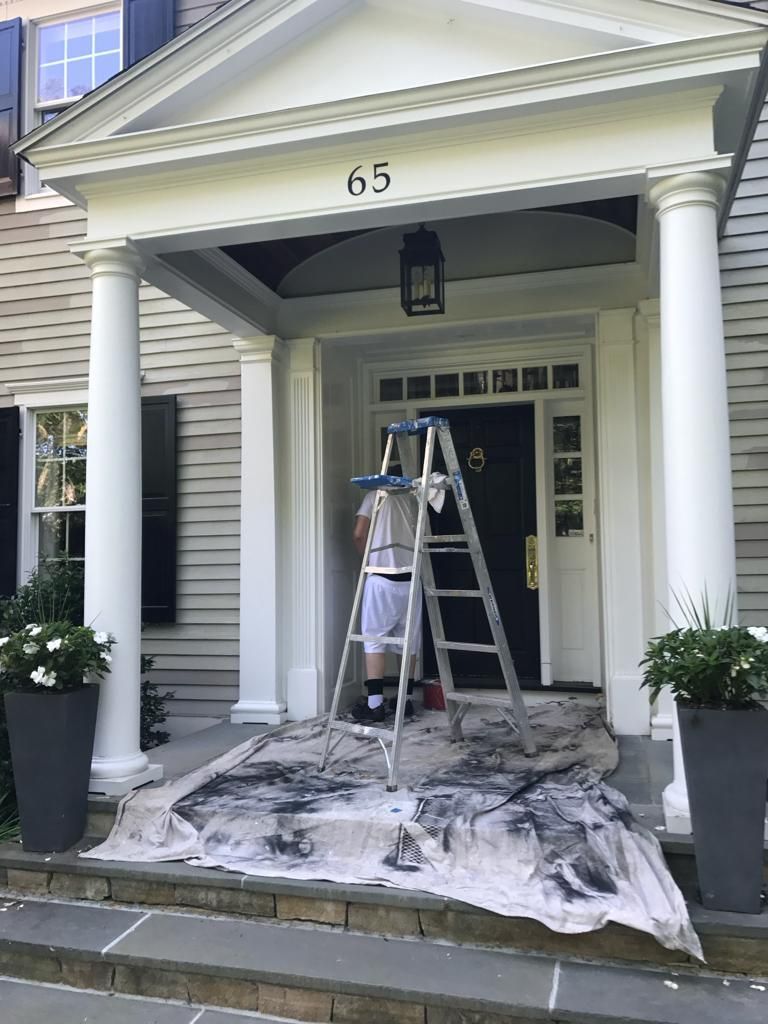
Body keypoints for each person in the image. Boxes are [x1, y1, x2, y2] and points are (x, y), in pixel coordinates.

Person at [351, 486, 421, 723]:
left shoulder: (375, 497)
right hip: (410, 578)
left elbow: (359, 534)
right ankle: (406, 701)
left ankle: (375, 705)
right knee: (408, 640)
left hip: (381, 577)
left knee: (374, 641)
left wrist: (367, 560)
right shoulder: (414, 501)